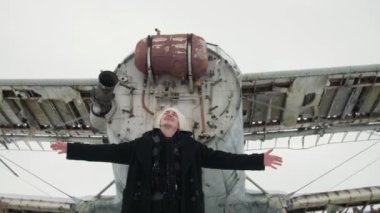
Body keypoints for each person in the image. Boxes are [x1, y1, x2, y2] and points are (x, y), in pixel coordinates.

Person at [51, 107, 283, 213]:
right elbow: (106, 152)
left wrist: (259, 160)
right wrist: (72, 148)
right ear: (159, 123)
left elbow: (223, 159)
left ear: (179, 125)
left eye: (173, 114)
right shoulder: (138, 146)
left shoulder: (192, 148)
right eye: (165, 115)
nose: (169, 115)